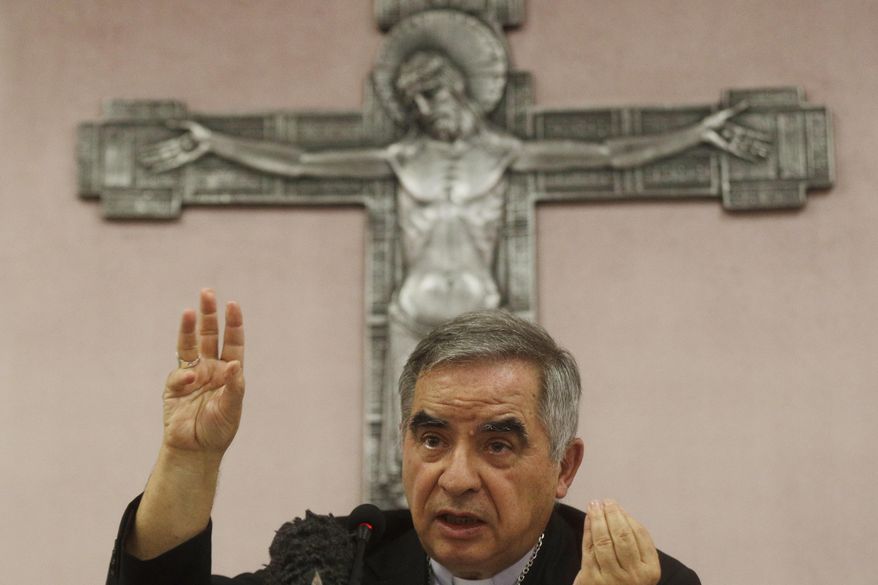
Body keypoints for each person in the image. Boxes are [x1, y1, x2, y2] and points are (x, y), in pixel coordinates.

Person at [140, 51, 770, 497]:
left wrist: (698, 135)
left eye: (432, 94)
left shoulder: (503, 152)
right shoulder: (400, 155)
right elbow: (303, 162)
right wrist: (214, 144)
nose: (425, 108)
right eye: (414, 101)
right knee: (414, 445)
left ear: (459, 91)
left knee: (491, 434)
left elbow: (607, 155)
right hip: (412, 312)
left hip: (481, 320)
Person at [106, 289, 701, 584]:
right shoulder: (346, 564)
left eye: (497, 445)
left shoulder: (638, 582)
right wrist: (190, 458)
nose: (457, 478)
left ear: (564, 467)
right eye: (433, 440)